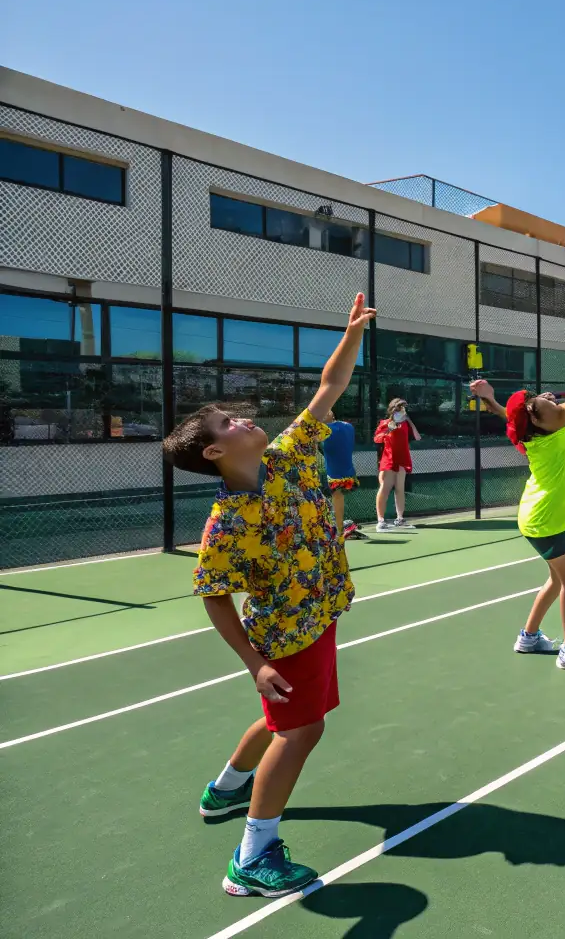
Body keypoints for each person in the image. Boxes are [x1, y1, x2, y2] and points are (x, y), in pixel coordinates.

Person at [164, 293, 374, 898]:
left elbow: (329, 387)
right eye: (227, 424)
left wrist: (351, 331)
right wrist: (255, 663)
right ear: (214, 453)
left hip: (323, 611)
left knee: (283, 720)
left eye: (237, 414)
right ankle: (252, 858)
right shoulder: (226, 523)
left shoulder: (289, 456)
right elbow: (213, 595)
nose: (244, 419)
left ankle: (225, 790)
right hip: (285, 634)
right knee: (300, 731)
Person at [470, 338, 565, 670]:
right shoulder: (554, 422)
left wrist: (490, 397)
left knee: (557, 580)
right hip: (545, 517)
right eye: (540, 401)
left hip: (537, 515)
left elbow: (509, 415)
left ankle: (529, 637)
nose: (548, 398)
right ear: (538, 419)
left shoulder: (534, 427)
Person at [374, 398, 421, 531]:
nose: (402, 411)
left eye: (404, 409)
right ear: (393, 410)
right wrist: (388, 429)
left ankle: (400, 519)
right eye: (400, 408)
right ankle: (381, 521)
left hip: (402, 460)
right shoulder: (385, 423)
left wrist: (409, 421)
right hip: (389, 460)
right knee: (385, 488)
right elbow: (377, 438)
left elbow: (417, 437)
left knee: (400, 489)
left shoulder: (406, 424)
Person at [321, 411, 361, 540]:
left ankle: (338, 530)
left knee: (336, 496)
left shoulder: (328, 429)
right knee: (335, 497)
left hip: (336, 474)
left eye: (328, 410)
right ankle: (337, 527)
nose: (325, 412)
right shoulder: (346, 426)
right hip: (339, 472)